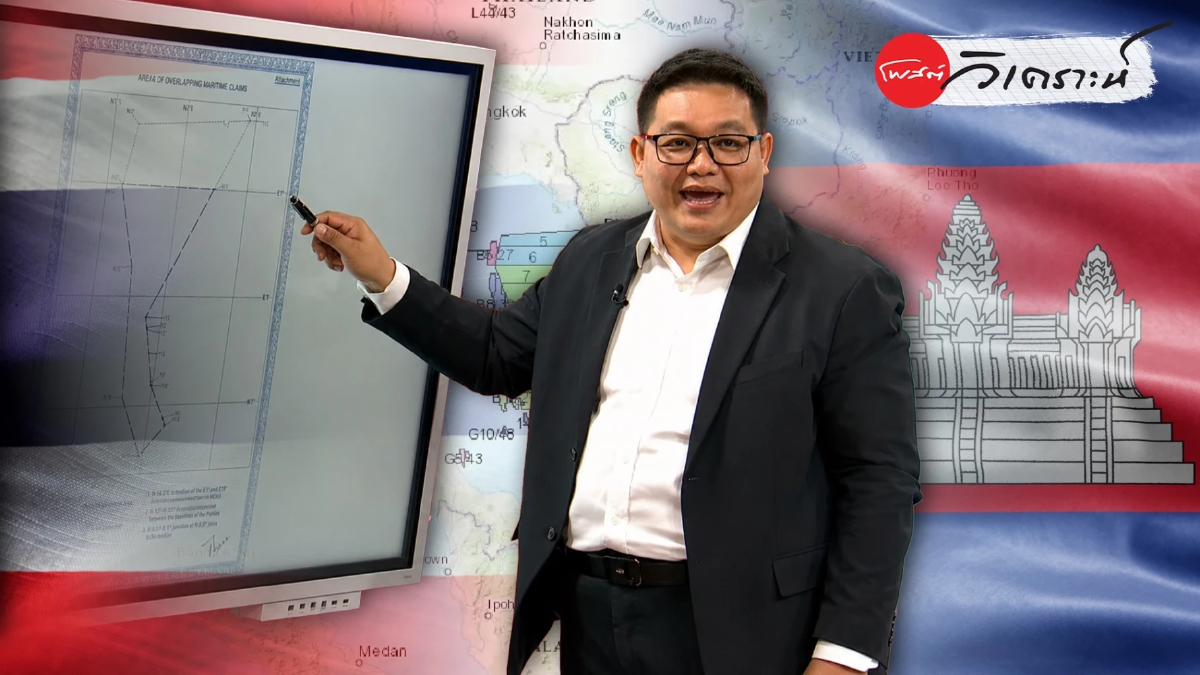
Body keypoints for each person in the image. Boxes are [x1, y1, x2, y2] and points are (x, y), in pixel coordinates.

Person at [302, 48, 921, 675]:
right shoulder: (590, 259)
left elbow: (878, 481)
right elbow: (496, 356)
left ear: (763, 153)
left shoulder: (844, 289)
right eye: (676, 143)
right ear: (640, 154)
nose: (701, 164)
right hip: (592, 617)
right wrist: (380, 274)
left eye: (728, 143)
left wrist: (844, 656)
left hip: (743, 630)